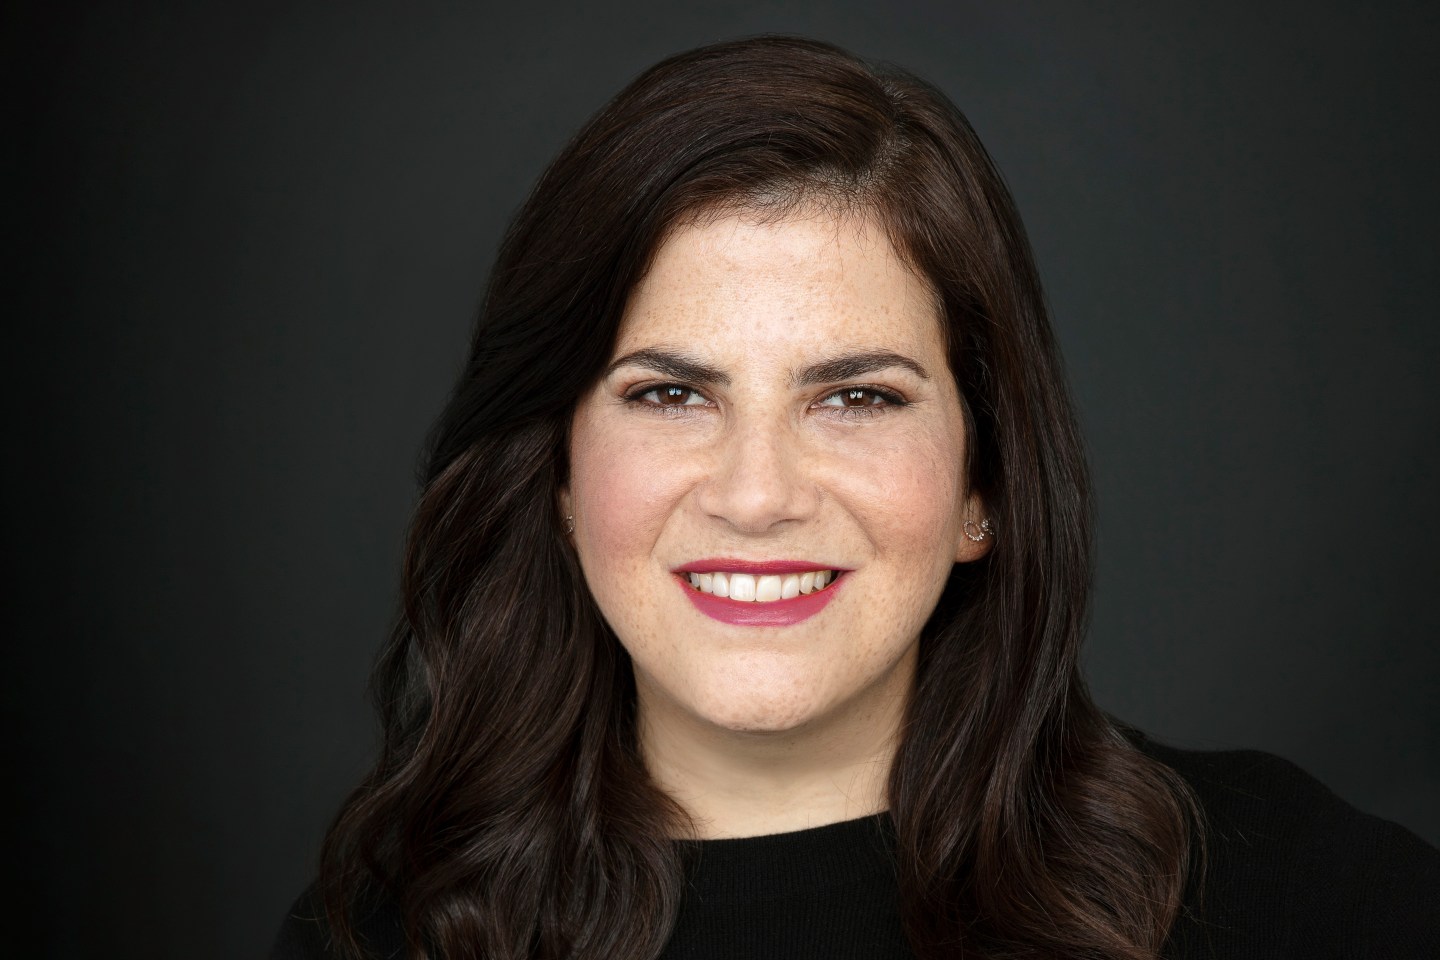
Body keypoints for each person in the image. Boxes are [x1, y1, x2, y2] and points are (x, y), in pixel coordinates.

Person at [272, 35, 1439, 960]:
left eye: (857, 398)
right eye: (671, 394)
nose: (757, 494)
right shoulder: (380, 936)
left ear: (985, 485)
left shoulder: (1298, 898)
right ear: (559, 479)